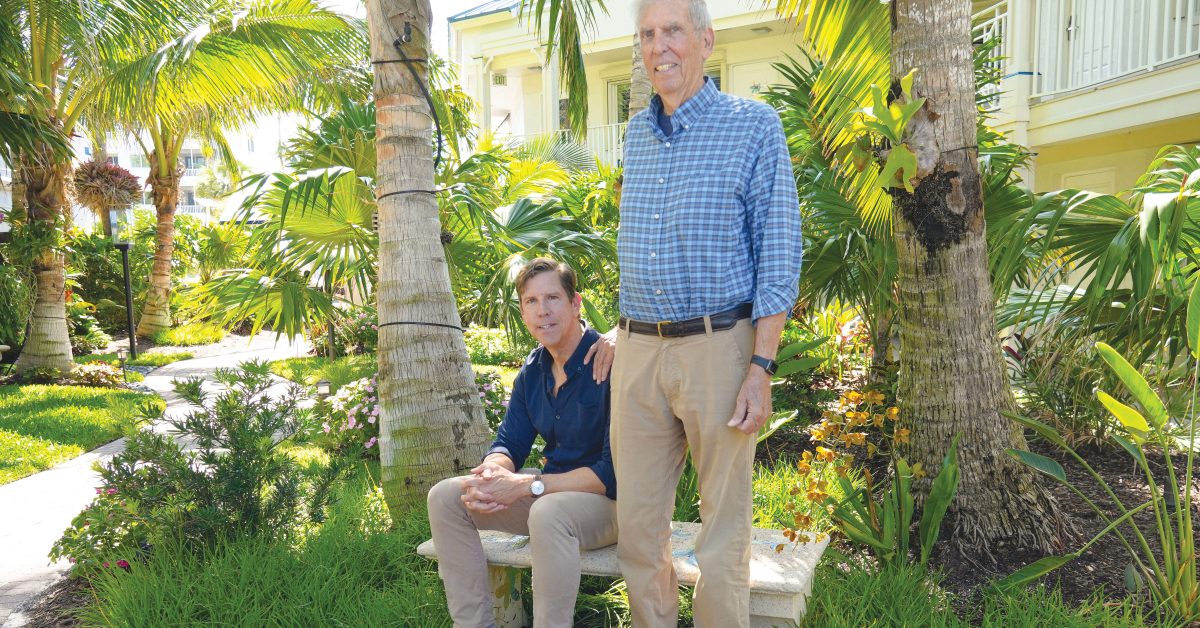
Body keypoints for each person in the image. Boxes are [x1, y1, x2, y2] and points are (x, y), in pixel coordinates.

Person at [606, 0, 803, 625]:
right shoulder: (636, 134)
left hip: (718, 346)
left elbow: (778, 250)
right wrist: (621, 328)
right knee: (637, 527)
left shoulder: (754, 125)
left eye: (672, 31)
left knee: (722, 531)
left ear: (706, 41)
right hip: (638, 350)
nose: (658, 46)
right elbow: (641, 242)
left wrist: (761, 365)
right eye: (646, 35)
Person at [427, 257, 618, 628]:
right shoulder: (533, 370)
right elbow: (509, 444)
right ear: (522, 310)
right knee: (447, 497)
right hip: (551, 494)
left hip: (610, 506)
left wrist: (526, 484)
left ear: (575, 302)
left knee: (548, 512)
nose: (542, 311)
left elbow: (609, 474)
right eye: (531, 301)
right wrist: (492, 472)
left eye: (552, 299)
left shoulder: (608, 363)